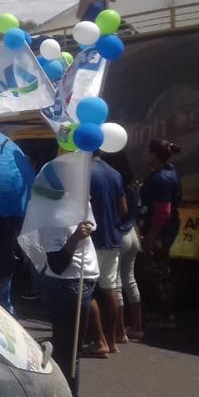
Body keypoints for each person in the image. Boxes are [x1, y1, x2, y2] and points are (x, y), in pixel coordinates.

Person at [40, 219, 102, 397]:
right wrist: (76, 236)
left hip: (77, 284)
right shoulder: (52, 216)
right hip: (69, 286)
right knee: (69, 356)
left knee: (67, 354)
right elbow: (57, 264)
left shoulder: (77, 208)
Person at [85, 153, 127, 356]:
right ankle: (111, 341)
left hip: (93, 239)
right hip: (113, 238)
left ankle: (98, 340)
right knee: (109, 289)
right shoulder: (115, 174)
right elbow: (123, 208)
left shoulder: (85, 174)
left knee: (86, 291)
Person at [139, 139, 182, 326]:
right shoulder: (167, 171)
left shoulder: (162, 179)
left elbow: (163, 212)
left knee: (156, 274)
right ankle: (164, 314)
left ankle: (164, 315)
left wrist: (150, 237)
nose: (143, 155)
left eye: (147, 151)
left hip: (160, 233)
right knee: (159, 271)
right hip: (164, 230)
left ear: (154, 154)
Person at [103, 150, 143, 341]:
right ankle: (137, 326)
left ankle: (120, 332)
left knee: (116, 283)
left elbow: (122, 210)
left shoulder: (114, 182)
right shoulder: (133, 184)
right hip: (133, 233)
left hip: (119, 234)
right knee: (130, 280)